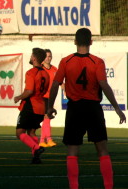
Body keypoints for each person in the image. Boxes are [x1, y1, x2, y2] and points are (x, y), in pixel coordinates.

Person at [47, 28, 126, 189]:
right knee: (102, 149)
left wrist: (49, 107)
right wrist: (117, 108)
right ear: (91, 41)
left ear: (75, 41)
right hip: (93, 108)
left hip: (75, 108)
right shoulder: (97, 62)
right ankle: (109, 186)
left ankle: (74, 186)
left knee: (72, 151)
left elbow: (55, 85)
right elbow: (104, 85)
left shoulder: (66, 61)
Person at [14, 48, 49, 164]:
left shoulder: (31, 72)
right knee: (32, 133)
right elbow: (43, 91)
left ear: (34, 58)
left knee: (19, 133)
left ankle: (37, 148)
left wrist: (19, 97)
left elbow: (29, 91)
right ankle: (36, 157)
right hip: (41, 107)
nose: (30, 58)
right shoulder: (46, 74)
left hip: (30, 106)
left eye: (31, 56)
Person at [39, 49, 57, 148]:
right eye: (46, 56)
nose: (48, 58)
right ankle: (45, 139)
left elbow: (59, 82)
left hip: (51, 97)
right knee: (46, 117)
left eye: (50, 56)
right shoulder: (40, 69)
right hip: (43, 96)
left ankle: (45, 140)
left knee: (47, 118)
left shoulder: (54, 69)